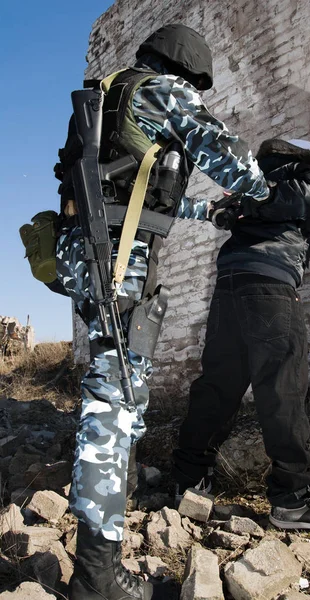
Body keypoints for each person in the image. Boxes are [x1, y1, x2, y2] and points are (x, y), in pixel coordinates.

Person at [55, 24, 270, 600]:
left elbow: (138, 182)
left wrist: (207, 212)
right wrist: (263, 190)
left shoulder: (111, 91)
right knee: (114, 400)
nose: (193, 89)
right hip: (118, 254)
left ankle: (112, 495)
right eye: (194, 81)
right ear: (182, 69)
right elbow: (232, 164)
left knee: (119, 382)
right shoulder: (167, 91)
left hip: (86, 249)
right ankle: (96, 576)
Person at [173, 138, 310, 531]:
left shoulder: (246, 180)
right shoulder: (305, 173)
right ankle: (293, 500)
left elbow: (228, 214)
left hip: (230, 284)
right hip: (269, 284)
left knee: (218, 384)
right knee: (282, 387)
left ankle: (188, 479)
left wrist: (243, 201)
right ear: (308, 155)